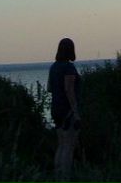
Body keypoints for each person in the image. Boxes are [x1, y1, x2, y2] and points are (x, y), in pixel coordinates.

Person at [48, 37, 82, 182]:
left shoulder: (54, 67)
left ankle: (58, 176)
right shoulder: (69, 68)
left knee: (61, 144)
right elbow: (69, 90)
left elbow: (49, 88)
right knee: (69, 146)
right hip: (67, 111)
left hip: (55, 109)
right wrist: (75, 111)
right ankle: (65, 178)